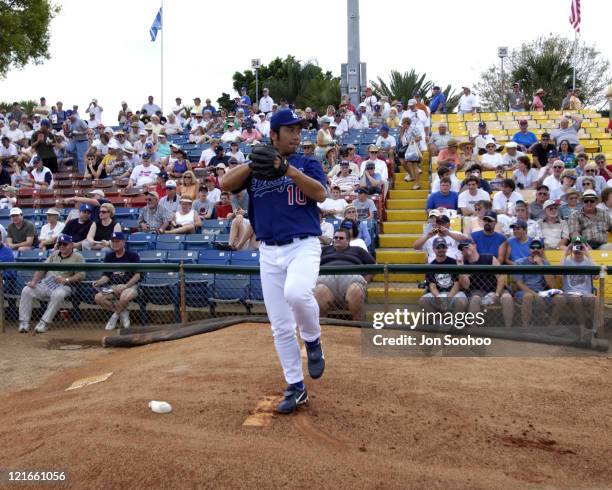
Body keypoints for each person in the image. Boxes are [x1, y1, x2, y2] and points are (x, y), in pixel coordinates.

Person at [221, 108, 328, 415]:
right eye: (290, 130)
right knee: (280, 326)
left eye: (299, 129)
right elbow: (227, 184)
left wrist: (289, 170)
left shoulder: (307, 162)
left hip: (303, 245)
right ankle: (296, 387)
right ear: (273, 135)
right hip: (269, 251)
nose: (297, 134)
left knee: (297, 293)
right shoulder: (258, 167)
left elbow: (320, 194)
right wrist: (256, 162)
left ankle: (312, 338)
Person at [18, 234, 85, 333]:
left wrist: (66, 279)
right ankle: (24, 322)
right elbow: (42, 268)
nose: (62, 246)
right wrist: (33, 282)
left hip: (64, 286)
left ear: (71, 245)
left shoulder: (78, 256)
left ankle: (44, 322)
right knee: (27, 290)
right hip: (47, 284)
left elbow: (81, 275)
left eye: (64, 244)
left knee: (58, 294)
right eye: (60, 244)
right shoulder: (54, 254)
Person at [315, 227, 375, 321]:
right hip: (325, 282)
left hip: (352, 281)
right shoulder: (324, 250)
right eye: (335, 237)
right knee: (319, 292)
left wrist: (366, 281)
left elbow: (373, 266)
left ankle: (357, 328)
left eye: (341, 238)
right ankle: (323, 330)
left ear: (348, 240)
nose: (337, 239)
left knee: (356, 292)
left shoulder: (358, 250)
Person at [457, 238, 514, 328]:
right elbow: (466, 285)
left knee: (507, 297)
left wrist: (497, 294)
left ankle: (508, 328)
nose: (464, 249)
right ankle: (474, 330)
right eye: (462, 248)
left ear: (474, 245)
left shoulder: (489, 258)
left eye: (466, 246)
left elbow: (501, 277)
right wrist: (460, 268)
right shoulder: (464, 264)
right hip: (477, 291)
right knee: (475, 299)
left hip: (496, 289)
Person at [93, 232, 141, 330]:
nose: (115, 244)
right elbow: (106, 276)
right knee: (98, 298)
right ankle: (123, 312)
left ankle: (114, 316)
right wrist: (99, 282)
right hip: (113, 287)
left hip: (130, 286)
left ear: (123, 242)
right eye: (113, 241)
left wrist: (126, 286)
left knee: (124, 297)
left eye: (117, 241)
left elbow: (137, 275)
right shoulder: (109, 256)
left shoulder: (132, 255)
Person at [550, 237, 597, 329]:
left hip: (585, 292)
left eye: (580, 247)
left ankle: (595, 327)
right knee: (576, 299)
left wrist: (588, 254)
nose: (577, 250)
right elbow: (558, 273)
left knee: (594, 299)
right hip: (569, 292)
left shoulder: (588, 262)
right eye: (575, 246)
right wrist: (566, 251)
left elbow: (596, 276)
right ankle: (582, 327)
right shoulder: (567, 260)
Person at [513, 239, 557, 327]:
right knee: (528, 296)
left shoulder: (546, 263)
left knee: (560, 298)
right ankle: (525, 327)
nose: (535, 250)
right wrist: (536, 296)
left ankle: (551, 326)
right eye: (533, 247)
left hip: (541, 291)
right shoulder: (520, 262)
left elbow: (552, 285)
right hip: (524, 292)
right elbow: (519, 284)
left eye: (538, 247)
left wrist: (541, 265)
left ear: (543, 249)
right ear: (529, 249)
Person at [419, 237, 467, 315]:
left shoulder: (454, 262)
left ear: (447, 248)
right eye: (438, 247)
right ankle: (439, 322)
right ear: (433, 249)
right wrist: (439, 298)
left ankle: (452, 323)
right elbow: (432, 286)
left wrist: (448, 298)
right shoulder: (431, 266)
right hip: (439, 294)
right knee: (423, 301)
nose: (441, 249)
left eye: (443, 247)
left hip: (453, 293)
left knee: (460, 301)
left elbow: (457, 284)